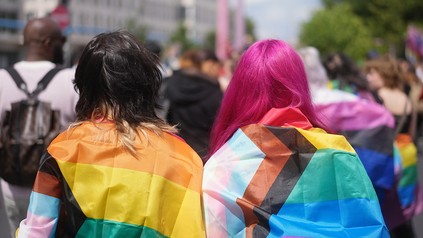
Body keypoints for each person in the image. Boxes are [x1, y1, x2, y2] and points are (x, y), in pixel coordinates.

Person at [16, 31, 205, 237]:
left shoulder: (64, 149)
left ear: (83, 86)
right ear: (147, 85)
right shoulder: (184, 157)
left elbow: (36, 231)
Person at [202, 39, 389, 237]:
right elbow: (368, 228)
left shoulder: (223, 164)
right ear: (299, 84)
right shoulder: (338, 153)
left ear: (240, 89)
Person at [0, 17, 77, 238]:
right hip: (56, 190)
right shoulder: (71, 80)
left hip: (11, 186)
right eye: (60, 40)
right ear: (47, 42)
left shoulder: (2, 78)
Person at [365, 55, 423, 238]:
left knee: (387, 211)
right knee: (404, 207)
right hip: (407, 153)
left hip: (388, 157)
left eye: (372, 73)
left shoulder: (377, 98)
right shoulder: (405, 98)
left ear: (383, 74)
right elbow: (412, 132)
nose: (368, 78)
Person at [165, 49, 223, 160]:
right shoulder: (212, 90)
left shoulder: (170, 83)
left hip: (175, 151)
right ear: (210, 64)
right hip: (203, 155)